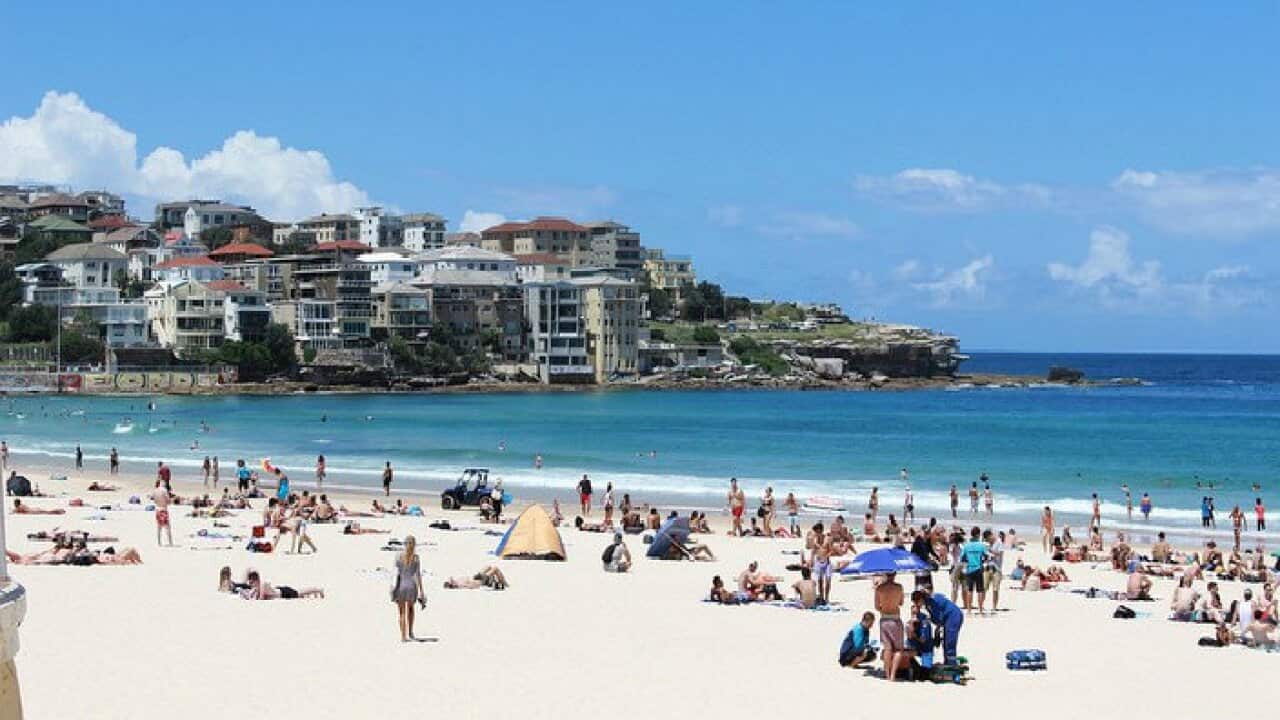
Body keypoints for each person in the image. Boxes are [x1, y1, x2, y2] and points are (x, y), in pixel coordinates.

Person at [392, 535, 426, 641]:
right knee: (411, 610)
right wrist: (422, 591)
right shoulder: (416, 557)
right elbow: (417, 575)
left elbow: (395, 573)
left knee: (401, 612)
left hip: (401, 585)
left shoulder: (398, 556)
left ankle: (403, 636)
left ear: (404, 544)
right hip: (412, 586)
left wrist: (393, 588)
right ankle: (410, 632)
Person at [918, 590, 964, 665]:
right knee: (946, 642)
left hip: (953, 616)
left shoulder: (932, 602)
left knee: (950, 642)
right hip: (949, 617)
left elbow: (939, 618)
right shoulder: (929, 602)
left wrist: (937, 633)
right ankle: (947, 661)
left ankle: (951, 664)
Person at [875, 572, 906, 681]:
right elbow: (901, 603)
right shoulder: (899, 587)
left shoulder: (879, 588)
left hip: (884, 619)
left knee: (887, 648)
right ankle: (893, 675)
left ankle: (887, 674)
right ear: (895, 574)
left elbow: (876, 606)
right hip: (895, 618)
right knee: (898, 649)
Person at [959, 526, 988, 613]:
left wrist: (967, 561)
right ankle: (980, 609)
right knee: (980, 590)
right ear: (978, 534)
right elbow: (986, 556)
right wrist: (982, 561)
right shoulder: (981, 545)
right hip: (978, 569)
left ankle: (969, 610)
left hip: (969, 569)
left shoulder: (966, 545)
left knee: (970, 590)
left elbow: (962, 557)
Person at [444, 566, 509, 590]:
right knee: (495, 568)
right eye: (451, 581)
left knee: (488, 567)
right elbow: (471, 586)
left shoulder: (456, 582)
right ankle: (505, 583)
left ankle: (500, 582)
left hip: (475, 578)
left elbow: (450, 578)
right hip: (479, 581)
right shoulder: (459, 585)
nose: (451, 579)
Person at [151, 479, 173, 546]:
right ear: (164, 485)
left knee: (159, 527)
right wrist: (168, 501)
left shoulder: (155, 491)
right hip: (163, 509)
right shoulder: (164, 490)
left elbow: (154, 500)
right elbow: (168, 501)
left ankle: (159, 542)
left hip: (157, 509)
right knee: (167, 527)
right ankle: (170, 542)